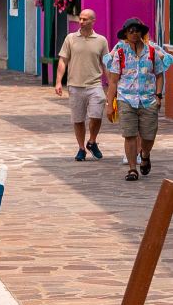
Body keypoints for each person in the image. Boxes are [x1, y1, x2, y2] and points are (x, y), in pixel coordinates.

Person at [105, 18, 171, 180]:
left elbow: (159, 75)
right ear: (126, 34)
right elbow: (113, 81)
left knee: (149, 136)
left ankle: (145, 154)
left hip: (148, 100)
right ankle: (132, 169)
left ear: (141, 32)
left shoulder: (152, 52)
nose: (134, 34)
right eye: (130, 31)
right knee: (129, 135)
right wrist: (109, 104)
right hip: (126, 99)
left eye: (137, 30)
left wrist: (158, 95)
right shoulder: (120, 53)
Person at [55, 9, 109, 159]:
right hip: (75, 85)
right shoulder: (70, 38)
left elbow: (106, 64)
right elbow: (63, 60)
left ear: (93, 21)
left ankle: (92, 141)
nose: (81, 22)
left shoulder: (101, 40)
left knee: (96, 115)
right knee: (78, 119)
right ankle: (81, 148)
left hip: (95, 84)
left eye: (85, 19)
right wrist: (58, 82)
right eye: (80, 18)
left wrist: (111, 85)